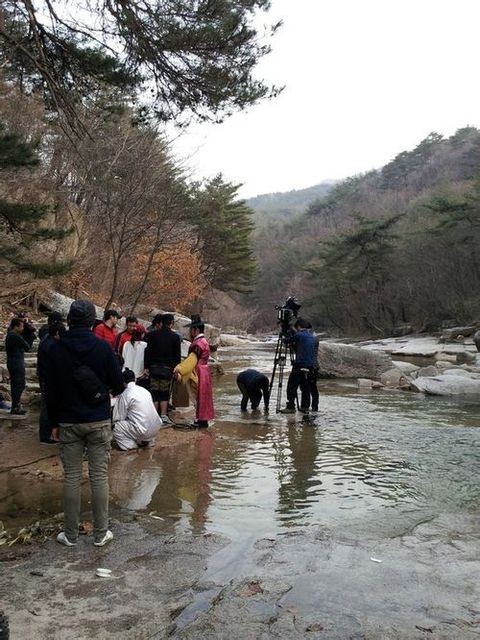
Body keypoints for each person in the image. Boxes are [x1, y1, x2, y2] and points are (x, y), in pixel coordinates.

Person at [45, 299, 124, 547]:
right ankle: (101, 534)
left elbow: (50, 391)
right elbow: (119, 385)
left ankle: (70, 535)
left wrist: (54, 423)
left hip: (68, 420)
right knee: (99, 476)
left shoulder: (55, 350)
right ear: (93, 322)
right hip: (98, 420)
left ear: (69, 320)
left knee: (71, 476)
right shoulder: (103, 348)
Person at [174, 315, 214, 429]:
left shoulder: (198, 343)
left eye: (191, 330)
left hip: (198, 371)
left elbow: (192, 360)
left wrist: (179, 369)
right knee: (202, 396)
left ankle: (200, 420)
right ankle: (202, 419)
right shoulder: (204, 341)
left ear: (195, 330)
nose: (190, 332)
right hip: (205, 370)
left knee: (196, 395)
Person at [144, 313, 181, 424]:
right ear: (171, 323)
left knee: (154, 392)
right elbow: (177, 356)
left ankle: (154, 415)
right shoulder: (175, 337)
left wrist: (146, 367)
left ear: (161, 322)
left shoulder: (153, 335)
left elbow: (148, 353)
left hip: (154, 367)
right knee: (164, 393)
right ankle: (163, 415)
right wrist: (176, 369)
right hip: (167, 369)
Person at [112, 369, 163, 450]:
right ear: (135, 379)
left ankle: (131, 446)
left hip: (143, 430)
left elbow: (118, 418)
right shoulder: (145, 390)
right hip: (156, 428)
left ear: (123, 382)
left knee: (116, 427)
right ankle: (147, 441)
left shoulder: (125, 394)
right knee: (136, 419)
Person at [280, 317, 317, 414]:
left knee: (292, 386)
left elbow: (287, 341)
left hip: (300, 364)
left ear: (299, 327)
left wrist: (284, 336)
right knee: (305, 387)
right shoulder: (312, 336)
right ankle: (305, 407)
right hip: (310, 366)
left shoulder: (299, 335)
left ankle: (291, 406)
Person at [37, 320, 66, 443]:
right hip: (48, 379)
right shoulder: (51, 345)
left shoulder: (46, 341)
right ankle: (46, 435)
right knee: (47, 407)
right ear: (57, 333)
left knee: (48, 406)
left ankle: (48, 433)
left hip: (46, 377)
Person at [5, 318, 30, 415]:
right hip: (17, 362)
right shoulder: (15, 336)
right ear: (16, 326)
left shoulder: (10, 335)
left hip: (11, 361)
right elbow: (27, 346)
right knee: (20, 384)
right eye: (22, 326)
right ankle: (16, 405)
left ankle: (15, 406)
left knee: (15, 384)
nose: (23, 328)